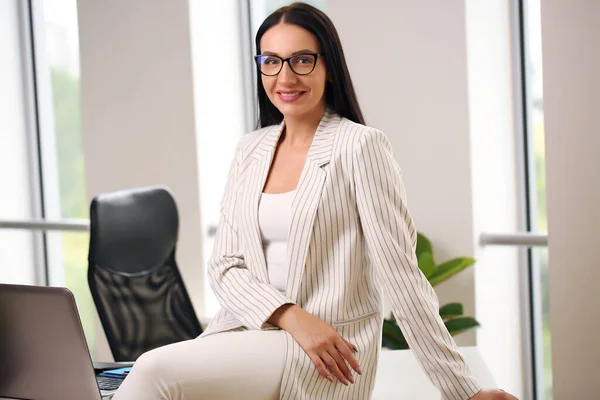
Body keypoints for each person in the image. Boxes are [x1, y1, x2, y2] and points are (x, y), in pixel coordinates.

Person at [113, 3, 519, 399]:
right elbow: (224, 266)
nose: (285, 76)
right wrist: (292, 316)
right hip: (248, 330)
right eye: (271, 61)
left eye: (301, 60)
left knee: (152, 370)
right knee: (146, 375)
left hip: (327, 349)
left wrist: (465, 391)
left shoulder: (360, 147)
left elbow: (401, 275)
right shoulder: (250, 150)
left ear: (329, 67)